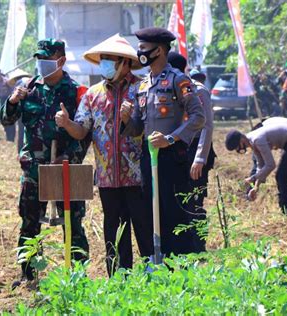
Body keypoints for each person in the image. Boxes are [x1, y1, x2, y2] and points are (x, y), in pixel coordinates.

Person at [55, 34, 153, 275]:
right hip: (107, 177)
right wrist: (67, 124)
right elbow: (81, 130)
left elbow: (149, 127)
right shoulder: (92, 95)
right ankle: (119, 277)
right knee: (114, 229)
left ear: (125, 62)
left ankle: (153, 274)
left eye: (111, 60)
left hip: (138, 175)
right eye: (103, 60)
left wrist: (130, 119)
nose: (106, 64)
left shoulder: (143, 88)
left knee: (144, 226)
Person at [0, 38, 89, 283]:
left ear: (61, 60)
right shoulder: (29, 88)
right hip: (34, 169)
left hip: (65, 169)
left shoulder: (76, 91)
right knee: (29, 224)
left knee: (72, 222)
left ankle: (78, 275)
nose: (42, 63)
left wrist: (69, 157)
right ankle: (28, 276)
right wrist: (13, 100)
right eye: (39, 58)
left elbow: (86, 132)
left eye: (47, 59)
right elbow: (5, 120)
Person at [121, 27, 206, 257]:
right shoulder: (142, 85)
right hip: (149, 157)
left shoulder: (178, 80)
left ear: (158, 50)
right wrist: (126, 119)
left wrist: (170, 139)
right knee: (152, 210)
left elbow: (198, 117)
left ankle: (182, 263)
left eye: (143, 48)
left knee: (174, 212)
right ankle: (160, 260)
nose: (140, 52)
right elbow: (138, 127)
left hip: (172, 157)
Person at [168, 54, 215, 252]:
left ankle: (198, 247)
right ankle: (184, 246)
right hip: (179, 151)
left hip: (195, 152)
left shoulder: (197, 89)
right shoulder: (170, 89)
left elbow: (206, 125)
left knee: (195, 201)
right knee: (179, 199)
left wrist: (199, 158)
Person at [226, 119, 287, 216]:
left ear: (241, 139)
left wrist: (252, 178)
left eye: (237, 147)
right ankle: (284, 209)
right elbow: (261, 166)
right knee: (283, 174)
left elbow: (271, 165)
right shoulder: (252, 142)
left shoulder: (257, 139)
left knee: (282, 175)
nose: (239, 150)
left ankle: (285, 210)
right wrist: (256, 187)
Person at [7, 68, 32, 154]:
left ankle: (20, 152)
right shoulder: (29, 82)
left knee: (21, 131)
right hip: (31, 109)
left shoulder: (19, 83)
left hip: (21, 109)